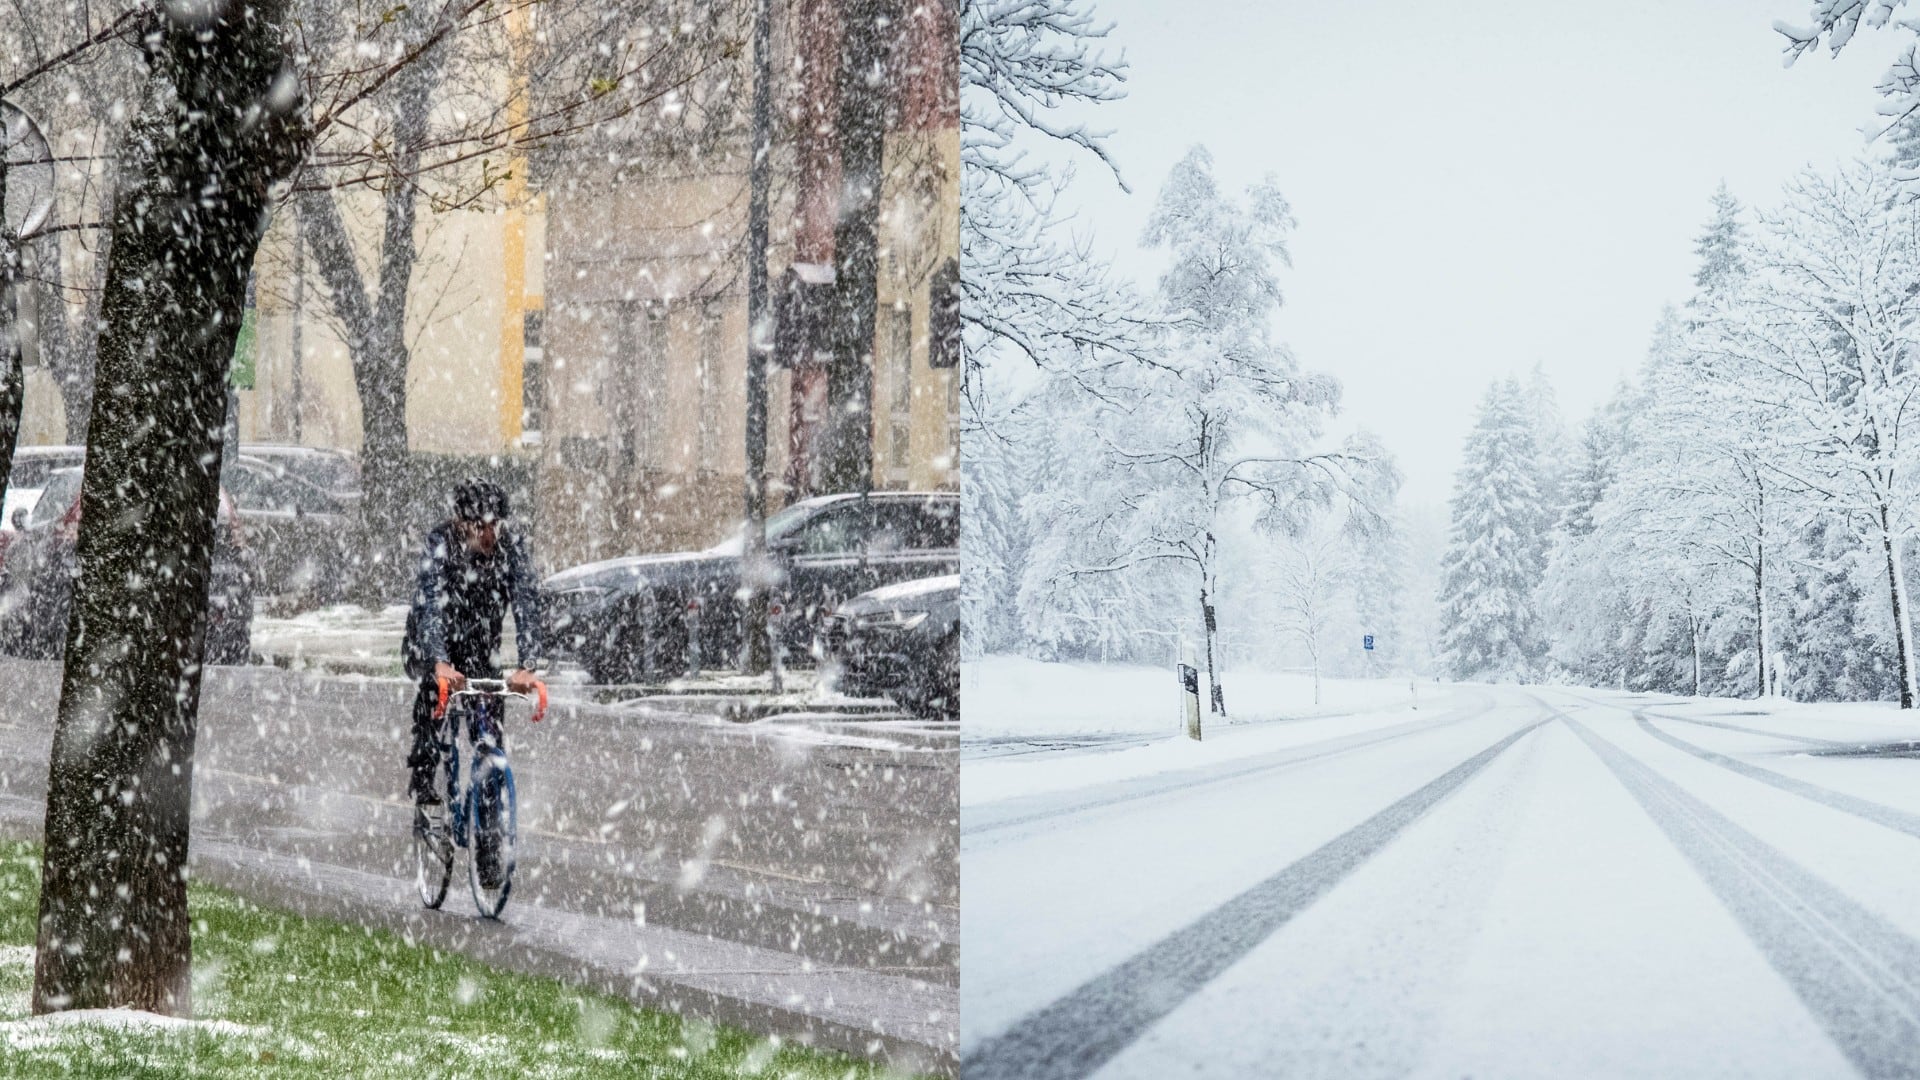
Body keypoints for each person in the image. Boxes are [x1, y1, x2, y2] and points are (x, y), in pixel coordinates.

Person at [403, 477, 545, 812]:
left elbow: (527, 599)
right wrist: (439, 660)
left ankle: (489, 797)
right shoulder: (440, 542)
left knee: (491, 713)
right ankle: (423, 776)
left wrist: (528, 664)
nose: (489, 534)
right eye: (480, 526)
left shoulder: (509, 545)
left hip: (482, 646)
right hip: (431, 643)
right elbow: (431, 604)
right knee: (432, 694)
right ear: (460, 523)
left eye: (495, 524)